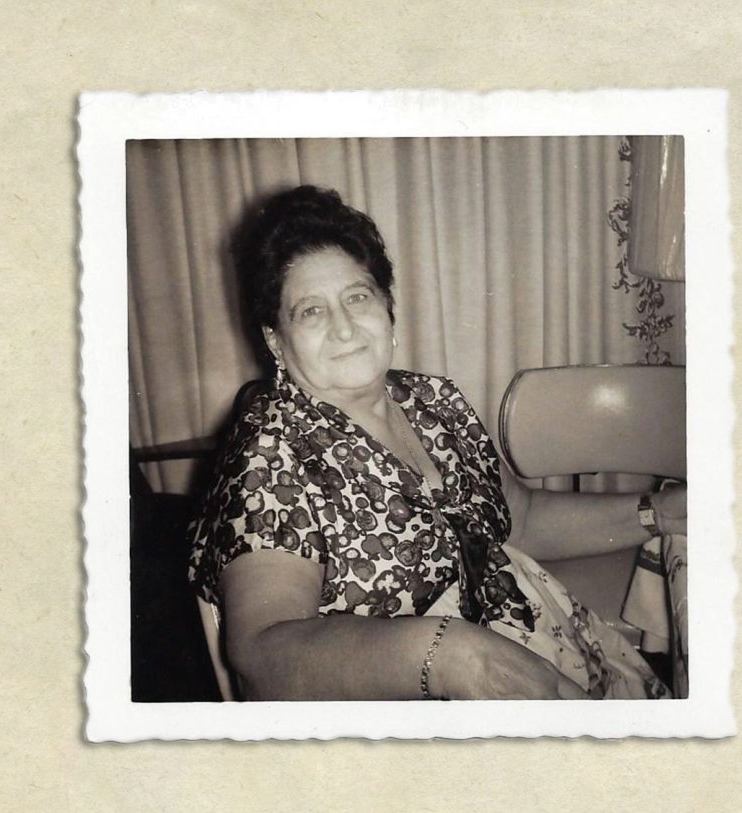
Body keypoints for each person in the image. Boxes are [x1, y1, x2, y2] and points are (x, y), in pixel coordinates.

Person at [186, 185, 686, 701]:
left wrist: (657, 513)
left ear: (388, 309)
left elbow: (520, 521)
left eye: (358, 296)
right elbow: (264, 655)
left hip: (544, 639)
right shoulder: (270, 454)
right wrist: (448, 656)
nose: (343, 327)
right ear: (276, 340)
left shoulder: (431, 399)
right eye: (310, 311)